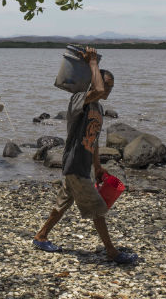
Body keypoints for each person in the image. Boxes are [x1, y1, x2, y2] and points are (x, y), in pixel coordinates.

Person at [32, 46, 138, 264]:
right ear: (93, 81)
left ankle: (40, 236)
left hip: (82, 166)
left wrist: (97, 167)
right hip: (75, 165)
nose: (107, 90)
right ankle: (112, 252)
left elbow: (94, 140)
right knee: (98, 209)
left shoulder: (98, 109)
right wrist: (92, 63)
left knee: (63, 203)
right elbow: (96, 91)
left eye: (111, 87)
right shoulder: (80, 99)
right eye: (105, 84)